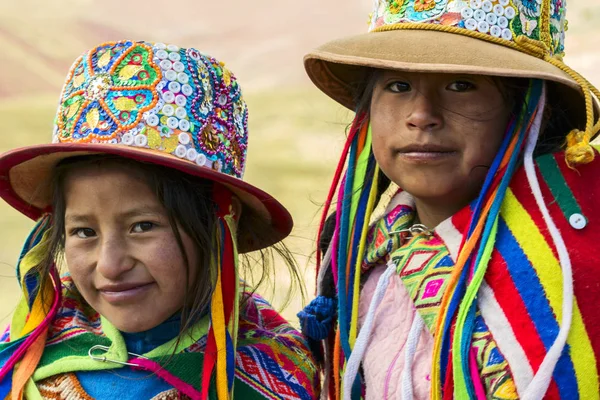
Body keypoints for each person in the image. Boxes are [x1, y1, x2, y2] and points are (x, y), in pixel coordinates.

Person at [297, 0, 600, 398]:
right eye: (398, 86)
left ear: (525, 110)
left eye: (461, 85)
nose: (422, 115)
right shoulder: (360, 263)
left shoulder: (572, 266)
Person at [0, 40, 319, 400]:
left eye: (143, 226)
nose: (111, 265)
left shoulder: (270, 376)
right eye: (84, 231)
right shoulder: (29, 349)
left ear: (217, 228)